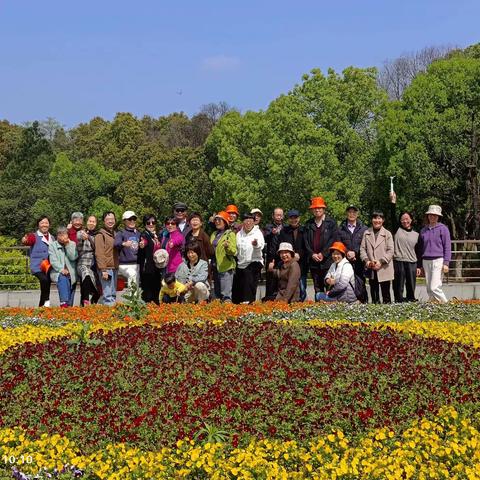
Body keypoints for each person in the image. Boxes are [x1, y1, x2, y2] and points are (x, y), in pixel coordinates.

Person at [269, 209, 307, 301]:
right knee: (287, 285)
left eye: (296, 218)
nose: (294, 220)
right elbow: (280, 247)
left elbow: (307, 246)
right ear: (288, 219)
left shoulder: (304, 230)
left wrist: (299, 255)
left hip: (301, 263)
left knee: (301, 288)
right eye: (291, 218)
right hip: (287, 263)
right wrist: (273, 262)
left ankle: (300, 305)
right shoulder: (284, 231)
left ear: (299, 218)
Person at [304, 197, 338, 295]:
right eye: (315, 208)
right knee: (317, 288)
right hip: (314, 262)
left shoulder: (331, 223)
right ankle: (318, 306)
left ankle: (330, 307)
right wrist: (312, 254)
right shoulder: (308, 224)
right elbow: (306, 241)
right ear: (312, 210)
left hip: (327, 261)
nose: (317, 210)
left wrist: (323, 254)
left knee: (329, 286)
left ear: (324, 209)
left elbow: (333, 240)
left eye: (319, 208)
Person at [417, 205, 451, 303]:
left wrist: (446, 263)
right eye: (431, 215)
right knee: (428, 288)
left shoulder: (443, 229)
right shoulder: (423, 230)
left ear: (438, 217)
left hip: (438, 260)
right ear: (427, 216)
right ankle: (433, 305)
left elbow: (447, 247)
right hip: (426, 261)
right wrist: (420, 265)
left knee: (434, 287)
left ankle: (446, 304)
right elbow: (420, 248)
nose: (432, 217)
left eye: (435, 215)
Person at [389, 193, 419, 302]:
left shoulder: (416, 234)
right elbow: (392, 215)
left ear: (411, 219)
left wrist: (419, 266)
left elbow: (418, 251)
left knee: (411, 284)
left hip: (412, 262)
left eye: (407, 219)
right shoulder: (397, 230)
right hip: (399, 261)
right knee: (398, 284)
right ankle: (399, 300)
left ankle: (411, 299)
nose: (405, 221)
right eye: (402, 219)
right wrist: (393, 202)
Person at [360, 211, 394, 304]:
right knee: (374, 293)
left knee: (386, 294)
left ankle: (387, 314)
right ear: (372, 220)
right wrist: (367, 261)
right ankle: (374, 313)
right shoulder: (366, 233)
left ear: (383, 220)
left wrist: (381, 262)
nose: (377, 220)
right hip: (371, 266)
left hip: (384, 267)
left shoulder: (387, 234)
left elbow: (391, 250)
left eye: (379, 218)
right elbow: (362, 249)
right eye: (375, 218)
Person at [22, 215, 54, 307]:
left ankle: (44, 306)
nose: (44, 225)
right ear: (38, 225)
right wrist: (24, 240)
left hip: (49, 266)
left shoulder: (52, 237)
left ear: (49, 225)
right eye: (42, 223)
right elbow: (28, 240)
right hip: (37, 267)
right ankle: (44, 304)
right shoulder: (34, 236)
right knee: (44, 280)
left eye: (46, 223)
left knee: (47, 284)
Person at [232, 213, 265, 304]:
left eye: (251, 221)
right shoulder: (239, 234)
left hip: (254, 261)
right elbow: (237, 250)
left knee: (248, 281)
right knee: (237, 285)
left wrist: (255, 244)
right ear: (243, 222)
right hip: (241, 263)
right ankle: (236, 304)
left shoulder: (258, 233)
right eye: (246, 221)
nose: (248, 223)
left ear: (254, 222)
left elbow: (260, 246)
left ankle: (249, 302)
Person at [210, 211, 237, 302]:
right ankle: (218, 314)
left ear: (225, 222)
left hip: (226, 267)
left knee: (226, 296)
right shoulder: (214, 234)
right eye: (216, 220)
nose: (217, 222)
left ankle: (228, 314)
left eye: (219, 220)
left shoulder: (230, 234)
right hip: (215, 266)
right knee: (217, 295)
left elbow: (234, 251)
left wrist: (227, 247)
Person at [49, 226, 78, 307]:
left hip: (71, 272)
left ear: (67, 235)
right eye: (60, 235)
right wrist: (61, 269)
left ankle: (67, 306)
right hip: (58, 272)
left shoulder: (72, 244)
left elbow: (73, 257)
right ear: (57, 236)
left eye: (64, 234)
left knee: (71, 297)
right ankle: (64, 303)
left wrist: (67, 245)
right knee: (63, 278)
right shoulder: (52, 246)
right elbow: (53, 261)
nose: (62, 237)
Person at [337, 205, 368, 279]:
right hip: (345, 262)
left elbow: (365, 245)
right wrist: (347, 252)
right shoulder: (340, 229)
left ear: (357, 214)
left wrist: (355, 252)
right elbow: (339, 244)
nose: (352, 214)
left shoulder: (364, 229)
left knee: (360, 286)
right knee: (345, 284)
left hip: (359, 262)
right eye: (349, 212)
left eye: (354, 212)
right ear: (346, 213)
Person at [95, 211, 119, 306]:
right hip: (106, 269)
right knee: (108, 294)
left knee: (113, 293)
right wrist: (103, 270)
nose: (110, 221)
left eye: (112, 219)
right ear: (104, 221)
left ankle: (109, 313)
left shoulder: (115, 234)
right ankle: (109, 316)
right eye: (108, 219)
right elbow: (99, 253)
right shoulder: (100, 235)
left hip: (114, 267)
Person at [138, 214, 162, 304]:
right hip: (147, 268)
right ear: (145, 224)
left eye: (153, 222)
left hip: (157, 268)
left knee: (156, 291)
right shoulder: (144, 234)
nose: (151, 224)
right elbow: (143, 241)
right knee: (147, 294)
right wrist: (142, 244)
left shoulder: (157, 235)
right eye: (148, 222)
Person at [76, 214, 100, 306]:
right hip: (83, 263)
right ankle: (85, 301)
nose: (91, 223)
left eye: (93, 222)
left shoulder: (98, 235)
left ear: (96, 223)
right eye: (90, 221)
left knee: (95, 285)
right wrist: (82, 239)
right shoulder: (81, 232)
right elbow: (78, 241)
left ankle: (89, 302)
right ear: (87, 222)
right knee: (86, 275)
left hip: (94, 264)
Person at [115, 210, 141, 286]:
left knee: (136, 284)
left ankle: (134, 297)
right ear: (124, 221)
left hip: (136, 263)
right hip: (124, 264)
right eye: (130, 219)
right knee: (132, 275)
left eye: (134, 219)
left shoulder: (138, 233)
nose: (132, 221)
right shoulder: (121, 233)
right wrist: (124, 243)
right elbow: (116, 244)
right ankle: (132, 297)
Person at [264, 208, 285, 299]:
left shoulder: (286, 227)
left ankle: (281, 300)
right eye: (277, 215)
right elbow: (265, 239)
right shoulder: (268, 227)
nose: (279, 217)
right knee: (271, 281)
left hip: (283, 258)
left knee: (282, 280)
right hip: (271, 258)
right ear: (273, 216)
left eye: (280, 215)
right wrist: (272, 234)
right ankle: (269, 300)